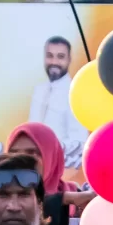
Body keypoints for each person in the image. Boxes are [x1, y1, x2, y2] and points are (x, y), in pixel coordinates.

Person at [6, 122, 92, 225]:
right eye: (14, 153)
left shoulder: (78, 199)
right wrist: (64, 199)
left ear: (51, 156)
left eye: (32, 153)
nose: (22, 160)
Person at [27, 37, 88, 172]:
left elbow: (78, 142)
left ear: (69, 59)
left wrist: (45, 151)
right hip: (32, 169)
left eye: (60, 57)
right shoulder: (39, 90)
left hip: (61, 170)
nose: (54, 62)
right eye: (49, 56)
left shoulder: (75, 93)